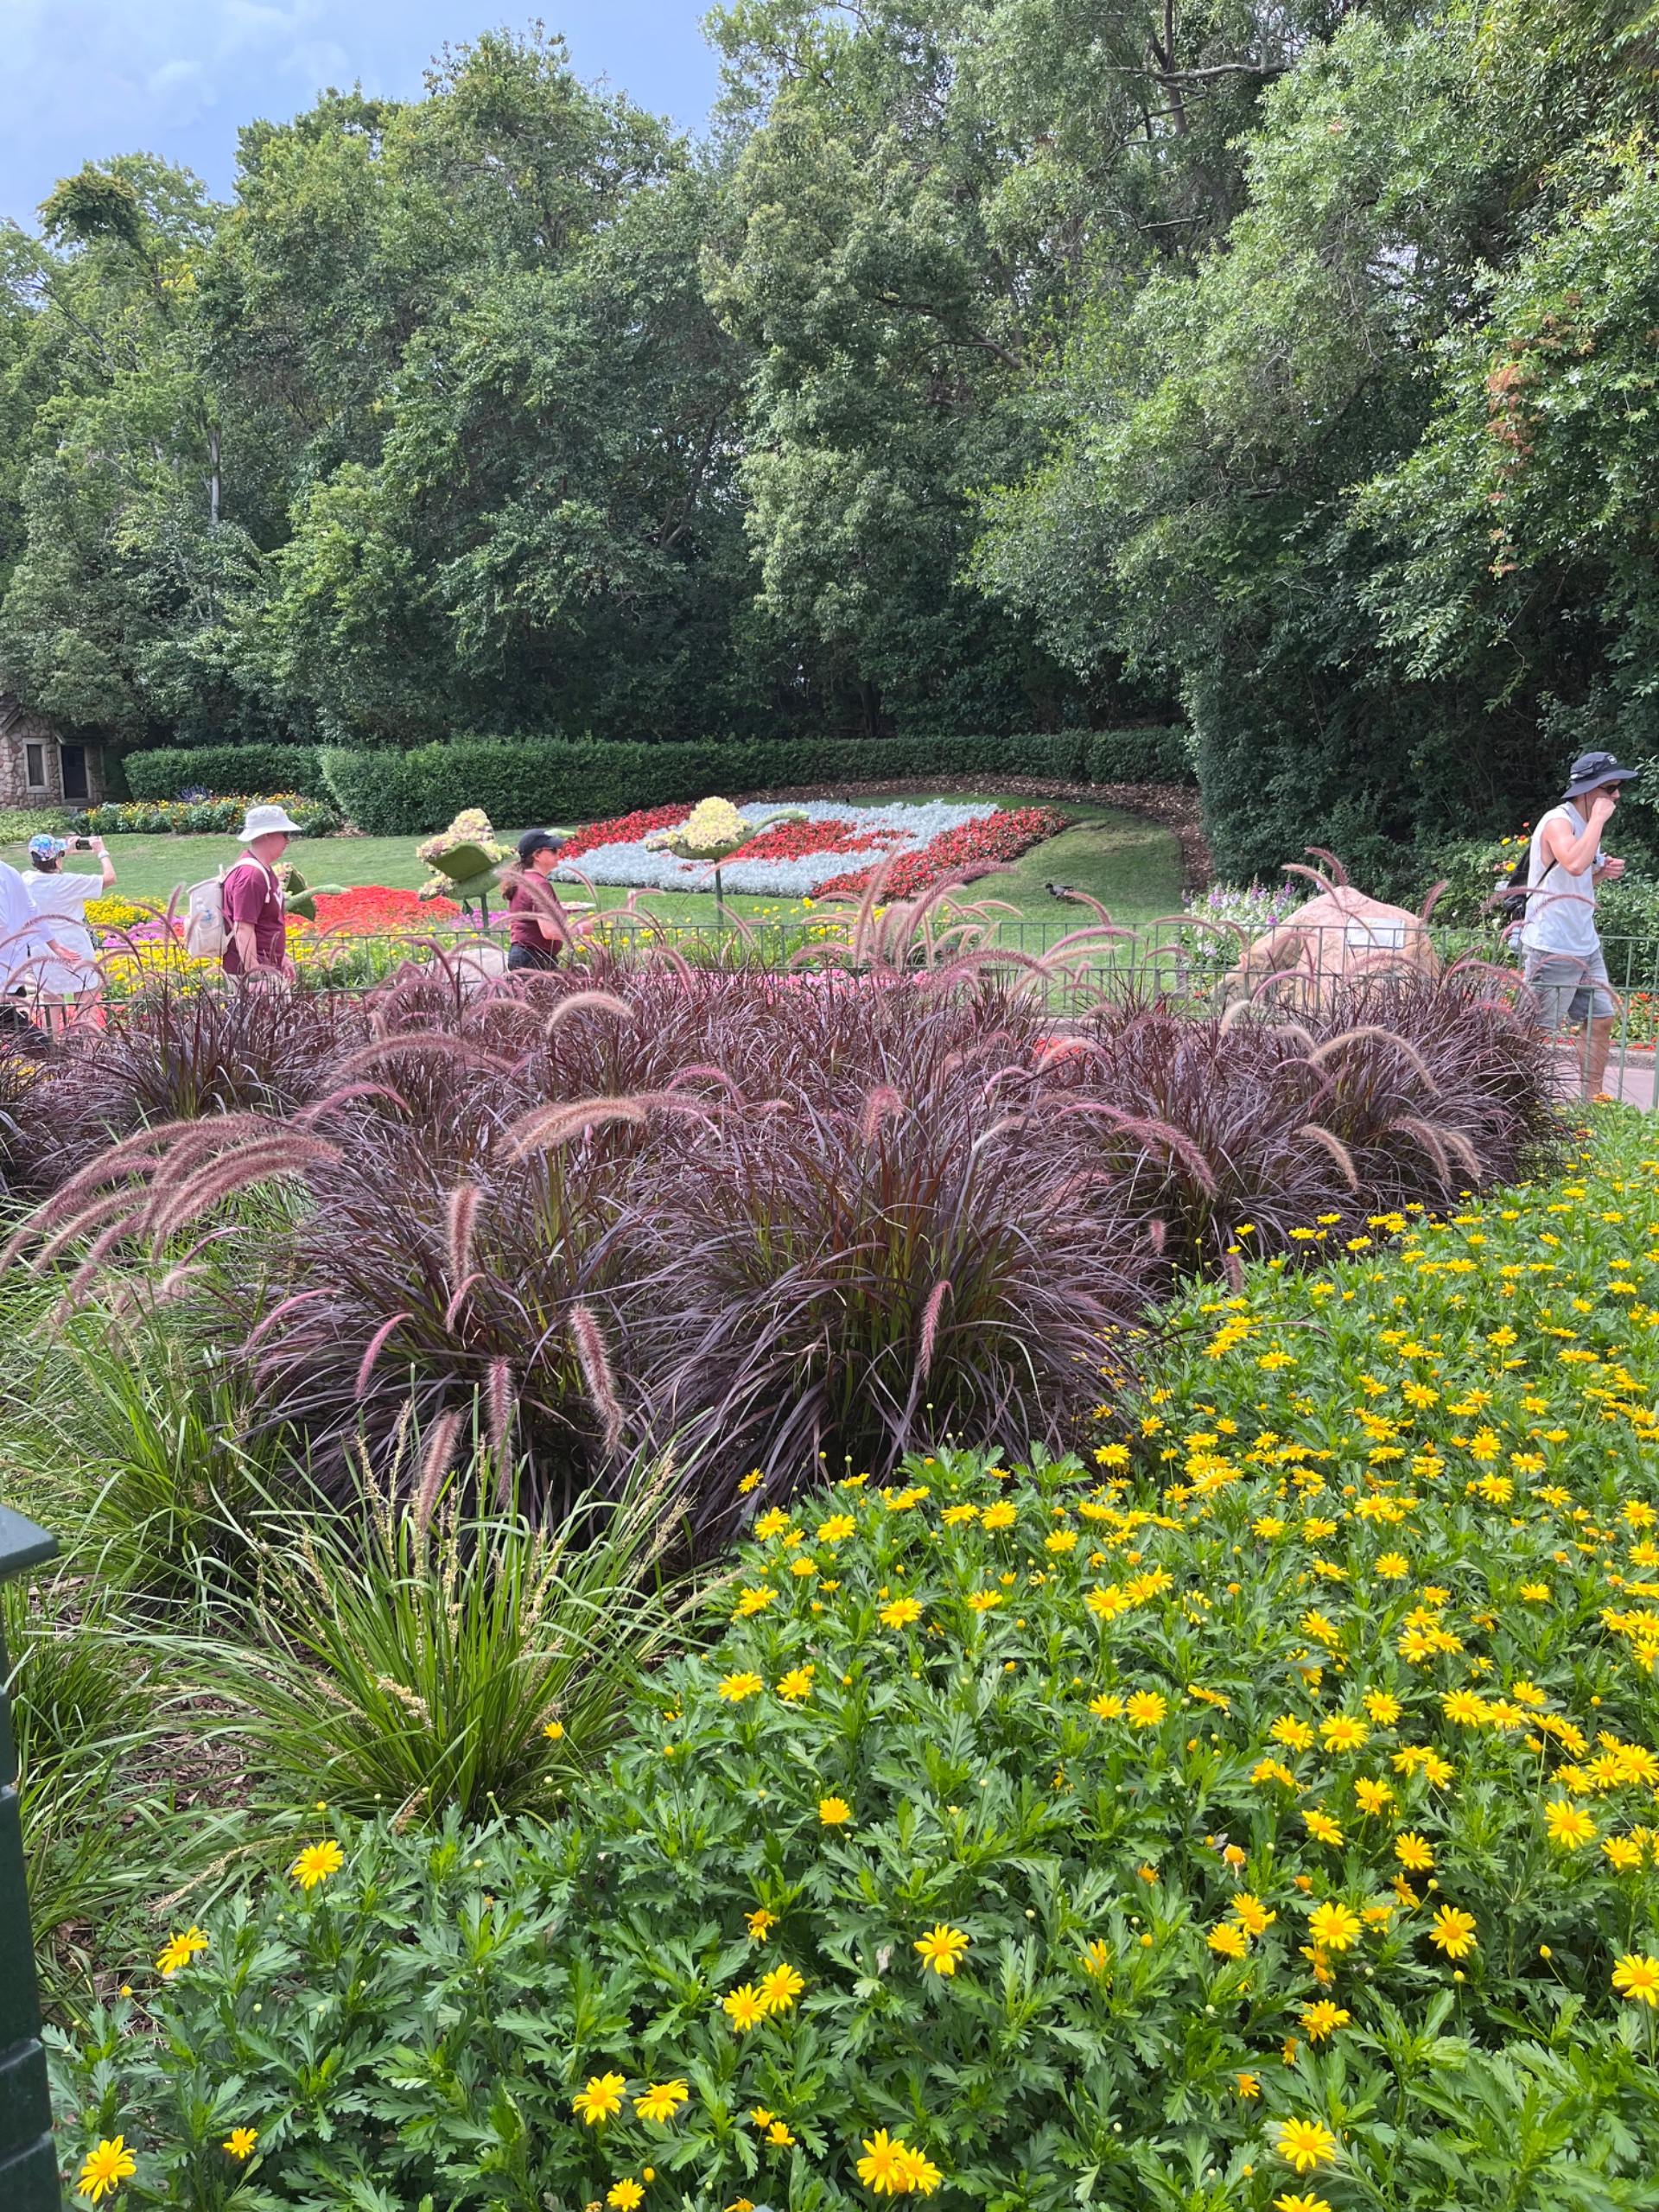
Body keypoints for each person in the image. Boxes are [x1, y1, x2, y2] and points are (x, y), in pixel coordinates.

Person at [1519, 748, 1636, 1099]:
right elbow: (1572, 863)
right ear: (1588, 789)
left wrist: (1601, 873)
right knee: (1536, 1031)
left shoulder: (1585, 825)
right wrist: (1598, 820)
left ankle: (1592, 1103)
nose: (1616, 796)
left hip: (1585, 943)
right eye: (1610, 788)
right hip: (1552, 945)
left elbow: (1576, 880)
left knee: (1601, 1019)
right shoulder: (1559, 821)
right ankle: (1518, 1100)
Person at [23, 831, 117, 1030]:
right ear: (58, 858)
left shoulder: (28, 880)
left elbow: (46, 864)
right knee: (86, 1005)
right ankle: (89, 1048)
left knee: (51, 1006)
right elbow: (110, 878)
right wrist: (102, 851)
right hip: (75, 946)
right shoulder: (70, 882)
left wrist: (64, 850)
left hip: (45, 946)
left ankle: (53, 1049)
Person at [223, 803, 303, 984]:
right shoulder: (251, 875)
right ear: (268, 834)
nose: (288, 841)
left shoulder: (261, 869)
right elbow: (242, 928)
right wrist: (255, 977)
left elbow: (267, 922)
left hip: (267, 968)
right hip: (255, 975)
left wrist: (281, 957)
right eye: (285, 834)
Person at [505, 830, 569, 973]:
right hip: (535, 958)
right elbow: (550, 931)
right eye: (553, 850)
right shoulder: (540, 884)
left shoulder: (523, 879)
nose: (558, 853)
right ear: (537, 855)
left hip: (524, 955)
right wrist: (580, 928)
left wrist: (559, 910)